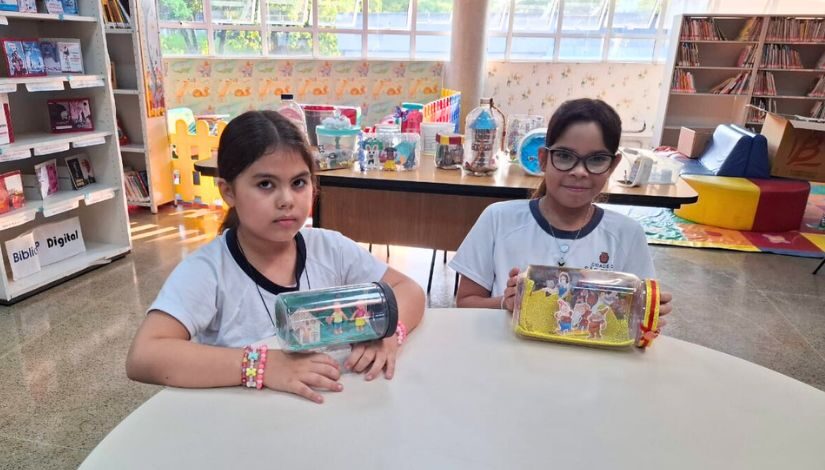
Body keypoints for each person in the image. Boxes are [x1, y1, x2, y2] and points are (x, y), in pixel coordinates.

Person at [126, 110, 425, 403]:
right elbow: (145, 356)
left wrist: (389, 335)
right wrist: (263, 365)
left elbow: (409, 290)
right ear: (228, 192)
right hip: (244, 420)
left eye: (299, 183)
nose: (287, 200)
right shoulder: (209, 270)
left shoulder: (330, 248)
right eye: (265, 184)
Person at [450, 98, 672, 318]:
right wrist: (505, 303)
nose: (579, 171)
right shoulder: (498, 219)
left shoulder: (627, 234)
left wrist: (646, 315)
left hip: (590, 352)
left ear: (612, 166)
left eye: (596, 159)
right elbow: (466, 302)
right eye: (565, 156)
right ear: (544, 159)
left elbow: (636, 318)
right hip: (508, 350)